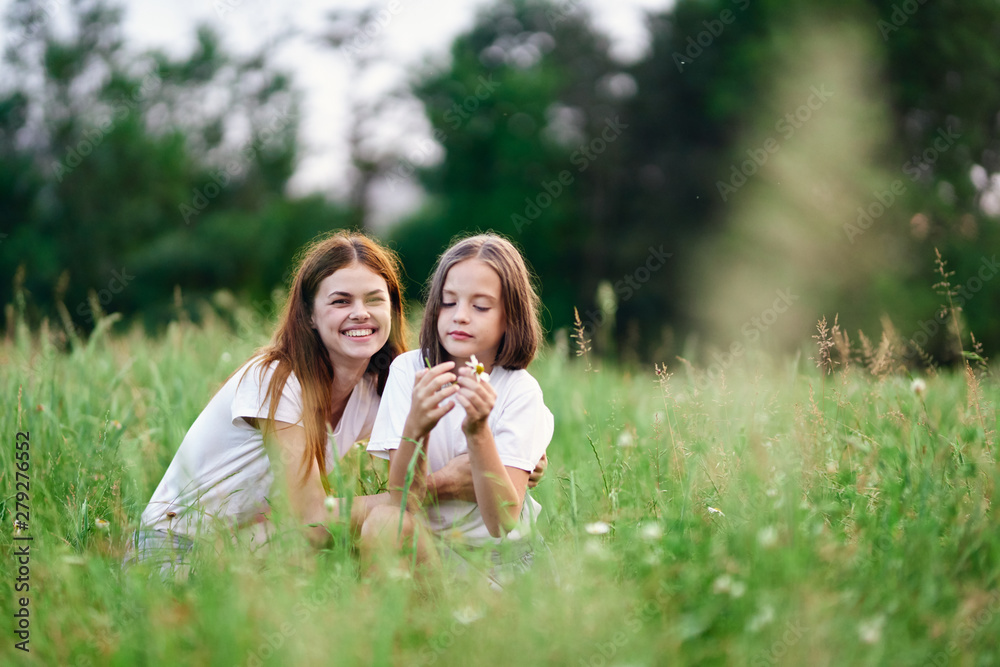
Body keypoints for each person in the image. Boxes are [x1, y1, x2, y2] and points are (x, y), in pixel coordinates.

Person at [128, 232, 409, 575]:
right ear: (309, 315)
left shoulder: (374, 390)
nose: (360, 313)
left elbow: (436, 454)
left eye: (374, 300)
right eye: (341, 301)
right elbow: (311, 519)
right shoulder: (275, 379)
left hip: (248, 544)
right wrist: (408, 499)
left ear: (392, 309)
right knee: (322, 535)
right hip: (175, 548)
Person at [361, 233, 553, 584]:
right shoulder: (409, 371)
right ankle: (395, 630)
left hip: (501, 564)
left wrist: (478, 432)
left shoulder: (520, 391)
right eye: (449, 302)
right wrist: (416, 426)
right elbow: (404, 499)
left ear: (510, 318)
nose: (460, 316)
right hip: (429, 550)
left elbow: (503, 521)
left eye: (480, 306)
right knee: (385, 523)